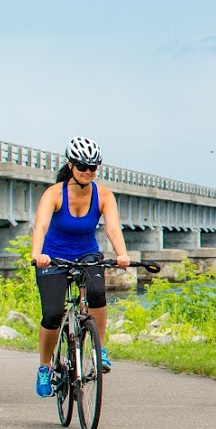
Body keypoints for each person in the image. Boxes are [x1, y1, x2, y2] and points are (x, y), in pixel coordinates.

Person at [31, 136, 131, 397]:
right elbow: (41, 225)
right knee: (52, 314)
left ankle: (100, 349)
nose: (88, 172)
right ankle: (45, 367)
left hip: (87, 254)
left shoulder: (104, 195)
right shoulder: (54, 193)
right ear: (71, 166)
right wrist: (37, 254)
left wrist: (122, 255)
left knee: (97, 294)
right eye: (82, 167)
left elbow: (112, 228)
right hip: (53, 257)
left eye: (93, 168)